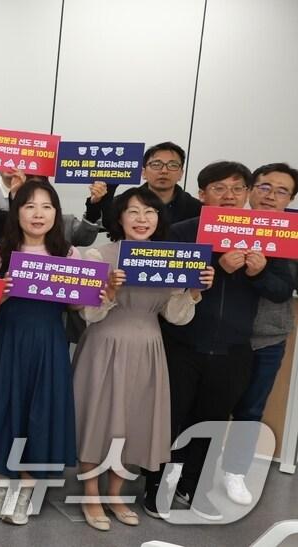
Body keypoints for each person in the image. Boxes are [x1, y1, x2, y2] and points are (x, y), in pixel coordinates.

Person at [147, 161, 292, 519]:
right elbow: (164, 282)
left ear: (247, 193)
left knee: (211, 422)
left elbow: (281, 290)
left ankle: (195, 488)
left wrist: (259, 273)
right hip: (182, 343)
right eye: (219, 188)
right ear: (202, 194)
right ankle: (156, 485)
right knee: (170, 418)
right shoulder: (182, 231)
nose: (229, 195)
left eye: (237, 188)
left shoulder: (263, 234)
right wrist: (217, 267)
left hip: (233, 349)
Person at [72, 187, 210, 531]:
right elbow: (86, 313)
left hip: (149, 346)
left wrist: (194, 291)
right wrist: (110, 291)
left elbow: (176, 316)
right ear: (119, 218)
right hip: (104, 344)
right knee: (97, 420)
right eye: (133, 212)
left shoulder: (170, 258)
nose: (142, 219)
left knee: (134, 422)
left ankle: (116, 494)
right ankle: (91, 494)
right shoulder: (97, 255)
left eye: (149, 212)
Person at [0, 179, 81, 525]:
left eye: (46, 207)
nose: (38, 214)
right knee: (4, 408)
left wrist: (90, 293)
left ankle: (25, 489)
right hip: (6, 342)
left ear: (56, 213)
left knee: (39, 413)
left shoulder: (69, 254)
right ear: (17, 212)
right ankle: (0, 484)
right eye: (29, 206)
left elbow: (75, 307)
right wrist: (1, 294)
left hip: (48, 346)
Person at [223, 162, 298, 505]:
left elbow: (285, 289)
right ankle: (191, 468)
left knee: (251, 409)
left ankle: (235, 471)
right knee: (207, 406)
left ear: (290, 199)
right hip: (221, 334)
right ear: (251, 189)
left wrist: (262, 272)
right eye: (265, 187)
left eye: (282, 191)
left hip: (267, 337)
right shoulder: (223, 223)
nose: (271, 196)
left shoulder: (292, 234)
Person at [84, 142, 203, 232]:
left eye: (172, 165)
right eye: (156, 164)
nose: (164, 171)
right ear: (143, 172)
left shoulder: (197, 209)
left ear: (181, 174)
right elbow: (105, 224)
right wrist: (98, 200)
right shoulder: (124, 201)